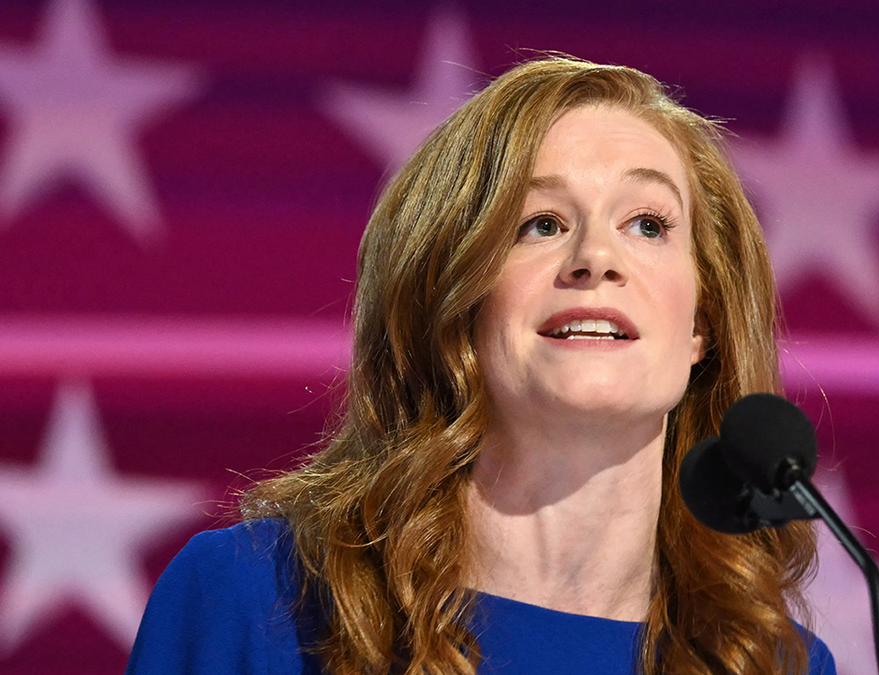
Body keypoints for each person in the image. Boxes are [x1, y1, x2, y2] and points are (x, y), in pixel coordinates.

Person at [125, 56, 834, 675]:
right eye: (541, 224)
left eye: (647, 224)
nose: (596, 257)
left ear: (700, 324)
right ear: (454, 303)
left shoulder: (767, 661)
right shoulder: (259, 599)